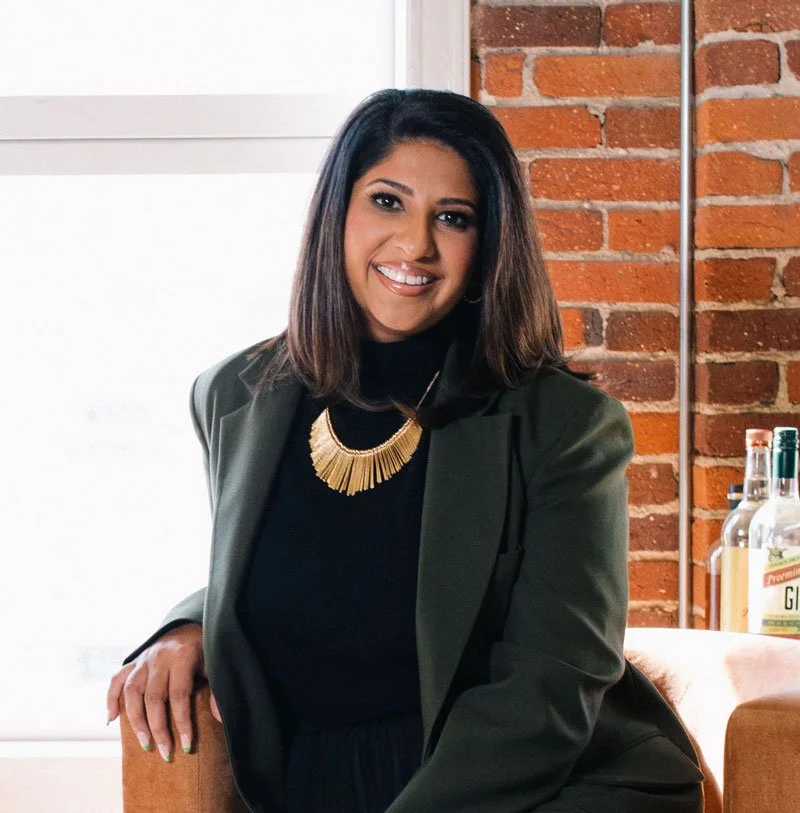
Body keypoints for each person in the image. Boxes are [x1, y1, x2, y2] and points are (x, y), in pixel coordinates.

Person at [106, 89, 703, 812]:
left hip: (532, 788)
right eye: (388, 202)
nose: (416, 244)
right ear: (338, 213)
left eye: (453, 218)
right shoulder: (234, 395)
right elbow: (315, 568)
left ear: (487, 245)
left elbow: (550, 685)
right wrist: (189, 623)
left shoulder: (564, 424)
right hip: (316, 788)